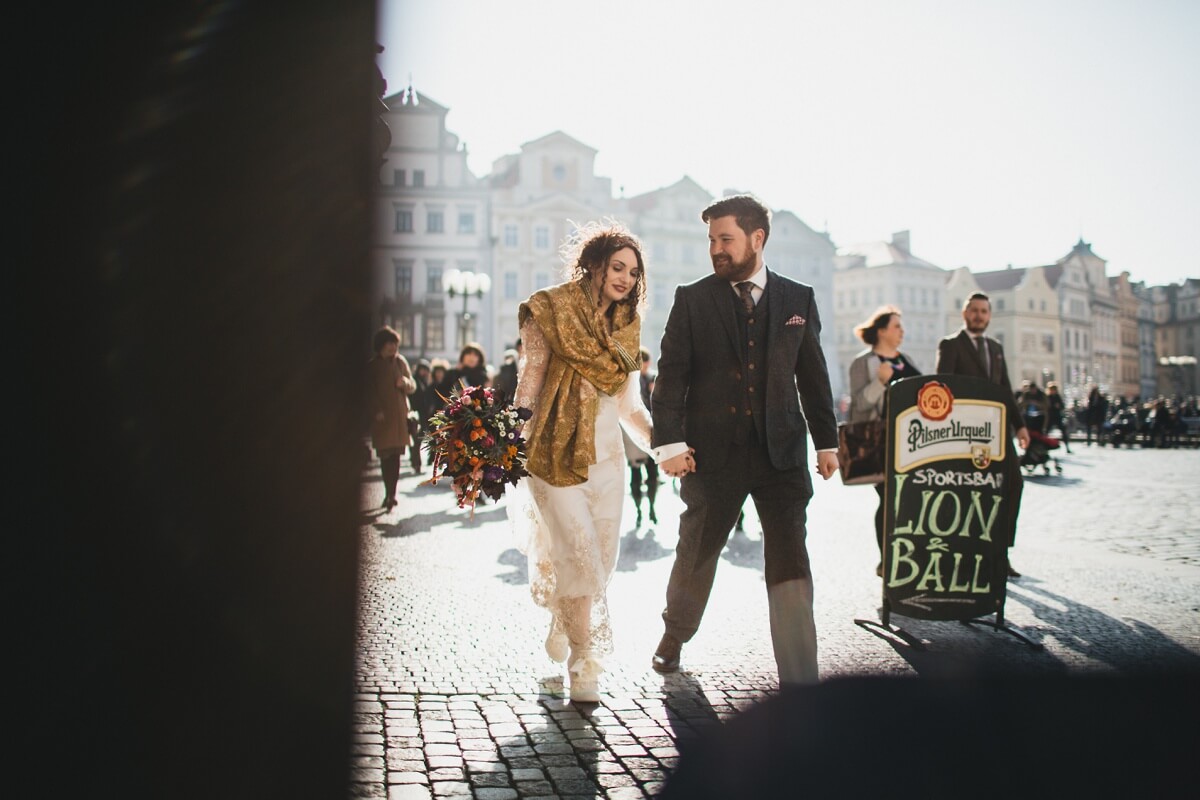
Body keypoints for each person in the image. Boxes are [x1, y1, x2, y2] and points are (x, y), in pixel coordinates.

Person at [650, 194, 839, 686]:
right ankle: (675, 634)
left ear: (758, 238)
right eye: (712, 239)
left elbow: (813, 376)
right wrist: (669, 443)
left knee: (790, 559)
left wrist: (826, 442)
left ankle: (800, 673)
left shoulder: (798, 299)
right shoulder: (693, 299)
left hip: (781, 455)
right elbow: (671, 378)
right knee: (697, 551)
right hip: (712, 456)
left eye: (726, 238)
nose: (716, 248)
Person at [510, 221, 657, 703]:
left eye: (634, 273)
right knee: (579, 555)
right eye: (618, 267)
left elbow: (630, 406)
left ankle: (564, 616)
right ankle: (583, 663)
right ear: (593, 265)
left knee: (602, 560)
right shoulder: (549, 309)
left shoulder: (625, 326)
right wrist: (500, 440)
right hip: (551, 455)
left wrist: (666, 447)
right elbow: (530, 382)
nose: (626, 279)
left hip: (607, 460)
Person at [935, 292, 1029, 578]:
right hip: (965, 434)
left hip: (998, 431)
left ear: (989, 315)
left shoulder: (996, 348)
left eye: (984, 311)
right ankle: (969, 554)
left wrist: (1020, 425)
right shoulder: (951, 345)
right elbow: (943, 386)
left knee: (1012, 486)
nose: (979, 315)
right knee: (972, 493)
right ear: (965, 314)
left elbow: (1005, 388)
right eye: (974, 310)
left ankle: (1001, 553)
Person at [847, 305, 922, 577]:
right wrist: (880, 382)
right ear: (881, 331)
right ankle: (887, 558)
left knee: (911, 499)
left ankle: (909, 554)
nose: (902, 331)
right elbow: (858, 407)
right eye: (896, 326)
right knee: (889, 497)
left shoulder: (907, 359)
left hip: (913, 442)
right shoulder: (863, 363)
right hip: (882, 443)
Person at [367, 326, 417, 511]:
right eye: (390, 344)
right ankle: (388, 491)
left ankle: (391, 494)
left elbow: (412, 385)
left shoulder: (400, 362)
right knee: (385, 457)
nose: (393, 348)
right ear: (381, 345)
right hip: (382, 419)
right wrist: (376, 410)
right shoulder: (373, 366)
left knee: (396, 457)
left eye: (395, 344)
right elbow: (368, 392)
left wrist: (404, 383)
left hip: (400, 419)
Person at [623, 346, 660, 527]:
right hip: (633, 434)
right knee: (636, 473)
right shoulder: (629, 381)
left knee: (653, 473)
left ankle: (652, 508)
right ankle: (639, 510)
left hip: (654, 431)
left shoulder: (653, 378)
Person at [408, 359, 433, 472]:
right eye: (422, 370)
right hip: (415, 415)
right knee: (416, 440)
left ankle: (415, 462)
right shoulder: (415, 381)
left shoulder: (425, 382)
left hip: (422, 416)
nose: (424, 372)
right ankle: (416, 463)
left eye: (426, 370)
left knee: (417, 440)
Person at [1045, 381, 1072, 453]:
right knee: (1046, 432)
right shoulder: (1048, 397)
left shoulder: (1057, 396)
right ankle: (1044, 448)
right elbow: (1046, 406)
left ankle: (1067, 447)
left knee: (1063, 431)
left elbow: (1062, 406)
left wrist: (1059, 406)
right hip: (1050, 417)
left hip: (1057, 416)